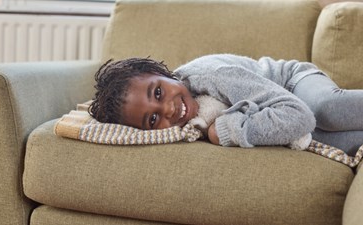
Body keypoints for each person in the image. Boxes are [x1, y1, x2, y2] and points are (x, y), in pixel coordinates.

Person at [88, 54, 363, 155]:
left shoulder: (210, 76)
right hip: (284, 106)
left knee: (326, 109)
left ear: (163, 71)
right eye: (152, 120)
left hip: (294, 82)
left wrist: (228, 130)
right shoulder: (185, 126)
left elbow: (299, 116)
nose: (168, 110)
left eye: (158, 92)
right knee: (344, 141)